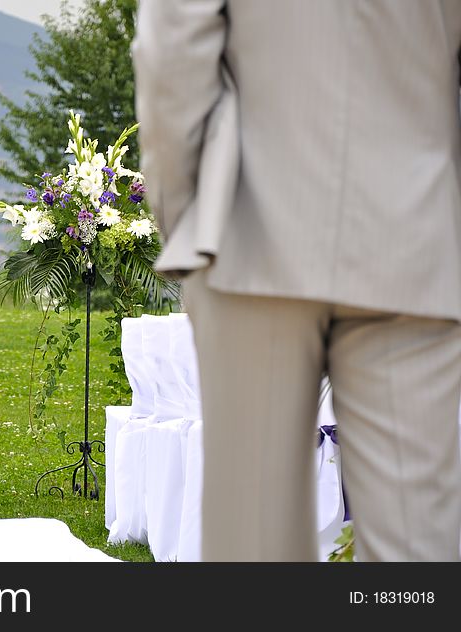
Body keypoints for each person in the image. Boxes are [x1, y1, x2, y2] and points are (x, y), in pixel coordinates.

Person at [132, 0, 461, 561]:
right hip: (415, 233)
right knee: (418, 552)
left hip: (250, 231)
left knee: (253, 548)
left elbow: (174, 51)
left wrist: (188, 223)